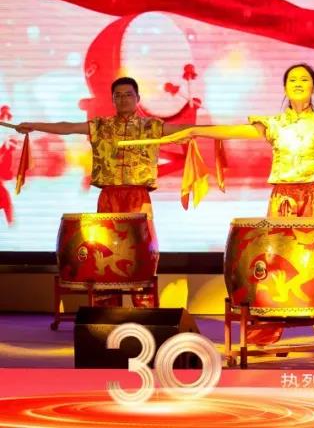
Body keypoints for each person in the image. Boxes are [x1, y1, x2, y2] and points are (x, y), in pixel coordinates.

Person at [17, 76, 192, 306]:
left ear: (137, 98)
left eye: (128, 94)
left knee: (141, 248)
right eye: (118, 95)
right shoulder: (101, 126)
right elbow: (68, 127)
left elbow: (184, 129)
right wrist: (34, 125)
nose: (123, 99)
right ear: (112, 100)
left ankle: (145, 307)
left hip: (138, 196)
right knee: (106, 249)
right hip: (109, 196)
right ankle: (108, 307)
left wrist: (226, 131)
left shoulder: (152, 126)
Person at [157, 63, 314, 217]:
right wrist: (195, 131)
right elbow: (232, 130)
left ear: (313, 88)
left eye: (304, 79)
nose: (298, 83)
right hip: (283, 198)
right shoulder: (274, 125)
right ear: (285, 88)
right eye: (292, 80)